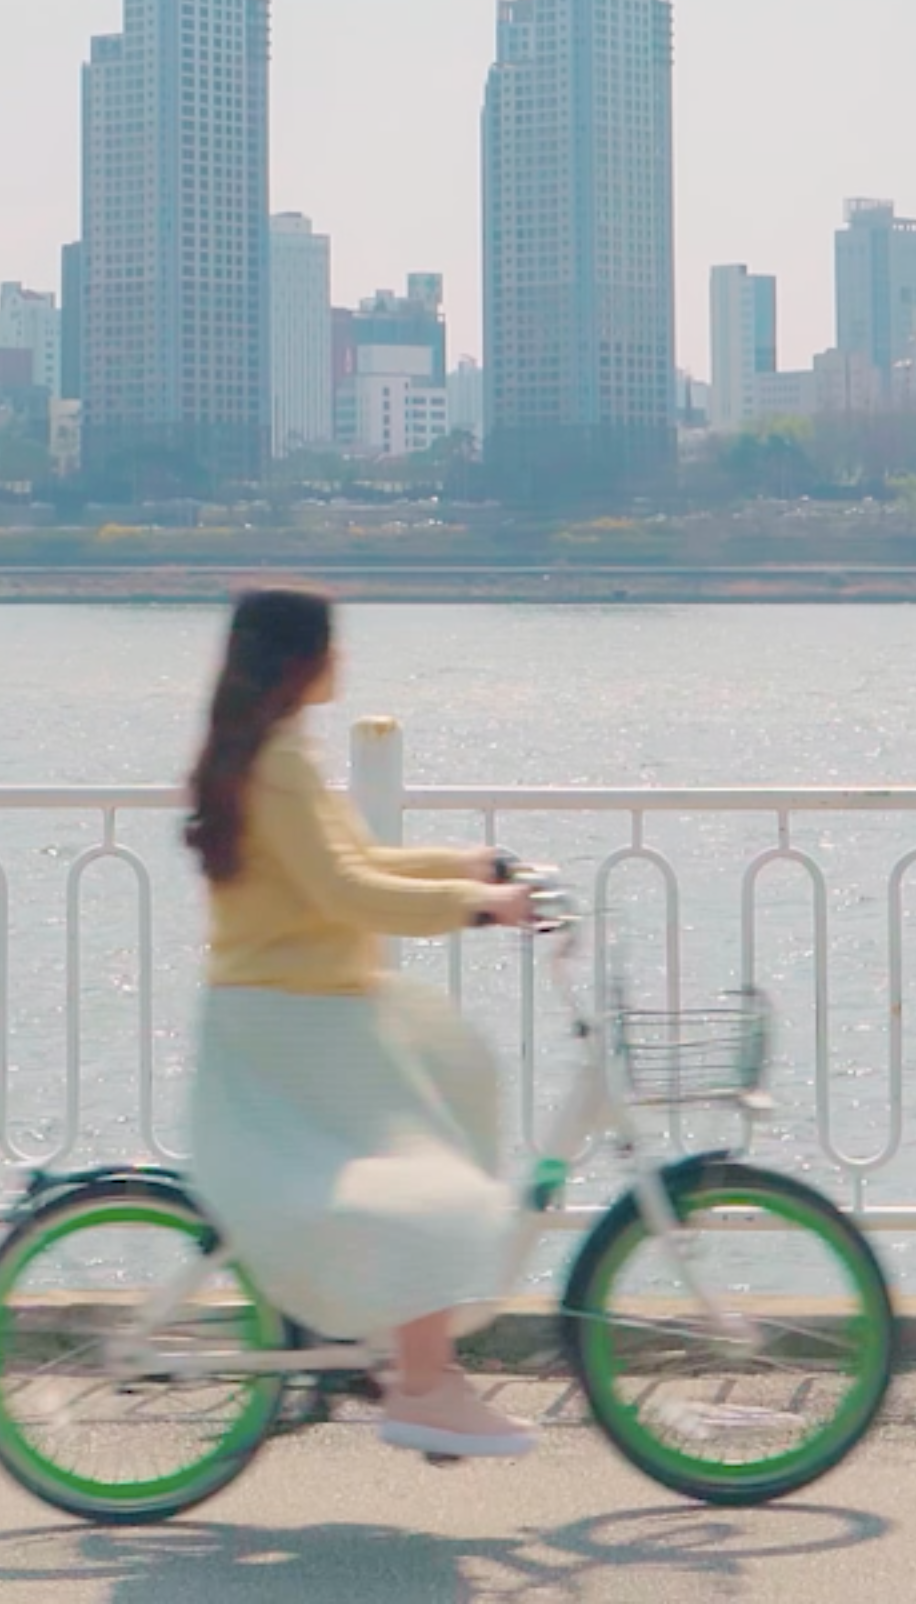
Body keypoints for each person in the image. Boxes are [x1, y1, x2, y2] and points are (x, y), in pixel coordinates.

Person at [180, 585, 543, 1460]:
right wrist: (478, 905)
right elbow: (350, 892)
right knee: (430, 1181)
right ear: (302, 661)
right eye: (333, 647)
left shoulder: (276, 753)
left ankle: (394, 1344)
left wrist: (469, 864)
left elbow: (355, 861)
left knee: (458, 1085)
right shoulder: (277, 764)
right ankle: (423, 1385)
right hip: (294, 1020)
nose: (344, 662)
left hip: (303, 1010)